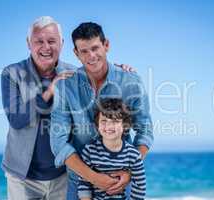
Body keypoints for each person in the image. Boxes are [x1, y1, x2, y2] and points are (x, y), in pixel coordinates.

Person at [1, 16, 133, 200]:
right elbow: (16, 120)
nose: (46, 47)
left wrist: (119, 70)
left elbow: (100, 107)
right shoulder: (12, 73)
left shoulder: (74, 74)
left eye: (52, 41)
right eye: (39, 41)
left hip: (63, 173)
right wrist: (49, 91)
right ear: (28, 43)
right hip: (22, 177)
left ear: (61, 44)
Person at [50, 22, 153, 200]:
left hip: (120, 182)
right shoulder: (66, 87)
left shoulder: (131, 82)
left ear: (106, 45)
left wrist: (129, 172)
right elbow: (58, 142)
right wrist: (93, 178)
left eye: (95, 48)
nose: (91, 56)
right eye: (84, 51)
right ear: (76, 53)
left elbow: (145, 130)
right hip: (79, 182)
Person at [78, 98, 146, 200]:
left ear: (125, 125)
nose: (109, 126)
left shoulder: (133, 155)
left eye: (115, 121)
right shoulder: (90, 151)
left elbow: (140, 185)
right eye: (104, 121)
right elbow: (84, 183)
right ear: (97, 125)